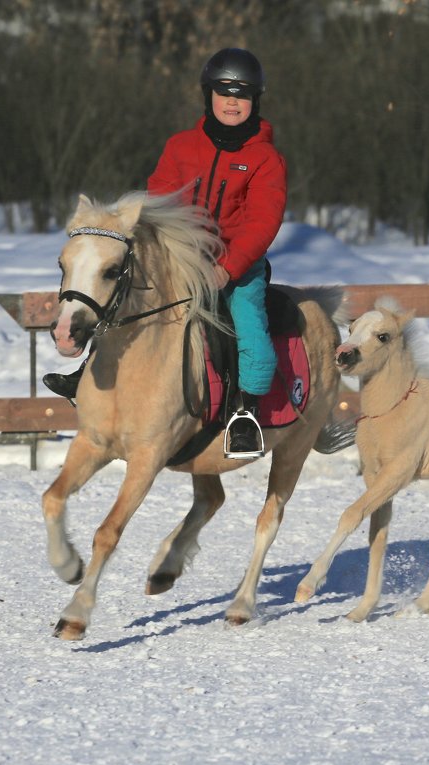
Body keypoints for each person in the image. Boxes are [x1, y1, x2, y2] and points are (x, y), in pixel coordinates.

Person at [45, 47, 285, 459]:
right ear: (208, 95)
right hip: (179, 260)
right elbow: (157, 203)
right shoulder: (180, 146)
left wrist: (228, 269)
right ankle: (85, 373)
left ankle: (245, 412)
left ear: (255, 101)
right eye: (223, 91)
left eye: (241, 94)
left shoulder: (265, 159)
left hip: (235, 268)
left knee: (246, 324)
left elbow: (262, 223)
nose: (232, 102)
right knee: (122, 301)